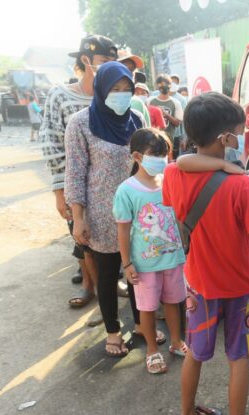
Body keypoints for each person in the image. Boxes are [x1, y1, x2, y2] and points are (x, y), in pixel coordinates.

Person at [162, 92, 249, 415]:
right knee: (238, 358)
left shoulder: (173, 175)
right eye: (238, 133)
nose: (240, 139)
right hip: (239, 287)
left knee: (196, 353)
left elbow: (181, 169)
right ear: (224, 137)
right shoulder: (239, 186)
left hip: (199, 283)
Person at [65, 61, 148, 357]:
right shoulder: (81, 123)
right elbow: (75, 173)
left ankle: (141, 324)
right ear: (102, 89)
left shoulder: (136, 118)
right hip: (102, 214)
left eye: (127, 89)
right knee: (109, 274)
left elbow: (146, 163)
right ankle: (113, 332)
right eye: (115, 89)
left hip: (137, 212)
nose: (122, 95)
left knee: (139, 271)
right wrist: (78, 218)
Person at [40, 34, 118, 310]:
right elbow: (51, 144)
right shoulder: (60, 95)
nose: (109, 67)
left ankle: (107, 287)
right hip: (75, 183)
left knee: (106, 239)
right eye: (103, 61)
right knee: (82, 237)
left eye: (113, 61)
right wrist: (60, 193)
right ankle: (89, 286)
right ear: (85, 60)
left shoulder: (111, 96)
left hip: (107, 184)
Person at [176, 153, 249, 330]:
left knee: (200, 346)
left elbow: (181, 162)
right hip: (236, 280)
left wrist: (221, 164)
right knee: (239, 345)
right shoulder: (242, 189)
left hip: (204, 277)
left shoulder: (187, 183)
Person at [113, 128, 188, 373]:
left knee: (174, 302)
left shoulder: (168, 181)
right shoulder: (127, 190)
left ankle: (176, 342)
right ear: (137, 156)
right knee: (147, 307)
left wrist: (184, 245)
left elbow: (177, 216)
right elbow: (123, 230)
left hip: (173, 257)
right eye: (154, 153)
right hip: (144, 264)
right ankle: (152, 350)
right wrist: (127, 264)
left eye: (164, 153)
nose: (161, 158)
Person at [148, 74, 183, 156]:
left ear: (170, 85)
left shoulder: (175, 103)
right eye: (161, 85)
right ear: (157, 86)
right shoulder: (150, 101)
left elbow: (177, 123)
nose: (163, 87)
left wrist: (166, 115)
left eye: (166, 84)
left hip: (169, 139)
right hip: (152, 141)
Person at [169, 74, 188, 156]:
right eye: (172, 82)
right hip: (161, 133)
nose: (173, 84)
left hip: (176, 135)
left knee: (174, 158)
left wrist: (184, 137)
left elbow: (184, 120)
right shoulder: (157, 96)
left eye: (176, 83)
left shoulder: (181, 99)